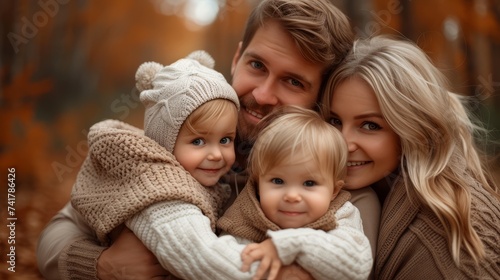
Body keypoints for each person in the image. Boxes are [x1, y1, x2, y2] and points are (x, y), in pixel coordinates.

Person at [37, 0, 371, 278]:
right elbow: (59, 230)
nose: (264, 94)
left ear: (320, 96)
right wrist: (100, 265)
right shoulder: (171, 145)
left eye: (294, 82)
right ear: (237, 58)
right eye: (257, 65)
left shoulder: (335, 185)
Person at [321, 35, 500, 279]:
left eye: (370, 126)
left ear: (412, 130)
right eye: (334, 121)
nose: (342, 144)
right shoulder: (386, 185)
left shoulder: (435, 244)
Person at [217, 105, 373, 280]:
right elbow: (222, 263)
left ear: (334, 191)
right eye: (278, 181)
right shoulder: (245, 217)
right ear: (259, 183)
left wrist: (288, 245)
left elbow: (357, 266)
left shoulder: (340, 215)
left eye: (309, 183)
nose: (292, 196)